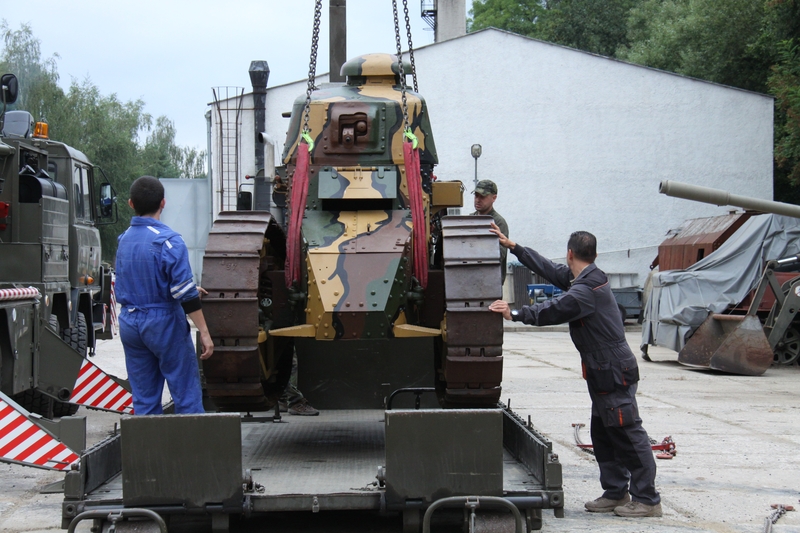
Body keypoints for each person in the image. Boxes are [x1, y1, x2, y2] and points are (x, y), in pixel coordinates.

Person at [487, 225, 662, 518]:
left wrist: (514, 313)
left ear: (570, 253)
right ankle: (616, 491)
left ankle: (647, 498)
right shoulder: (588, 275)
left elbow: (554, 309)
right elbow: (550, 269)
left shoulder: (585, 290)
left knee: (627, 432)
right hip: (602, 368)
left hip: (612, 369)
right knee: (603, 431)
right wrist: (514, 246)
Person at [115, 176, 214, 415]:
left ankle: (149, 451)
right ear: (163, 203)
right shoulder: (169, 240)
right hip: (163, 324)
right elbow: (186, 295)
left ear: (131, 203)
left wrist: (180, 292)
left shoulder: (123, 240)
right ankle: (191, 451)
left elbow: (138, 279)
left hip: (130, 322)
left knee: (144, 400)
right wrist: (204, 332)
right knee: (185, 393)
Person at [471, 179, 509, 284]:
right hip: (471, 279)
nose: (478, 200)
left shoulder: (498, 222)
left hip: (491, 283)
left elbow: (500, 255)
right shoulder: (469, 219)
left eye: (482, 197)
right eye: (476, 196)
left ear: (494, 198)